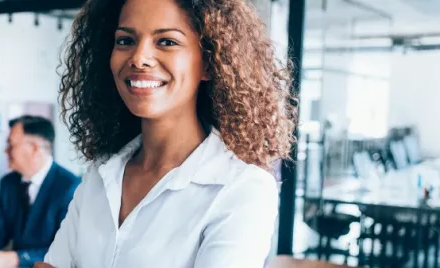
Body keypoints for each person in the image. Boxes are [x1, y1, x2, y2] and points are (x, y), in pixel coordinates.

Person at [41, 0, 296, 267]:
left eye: (167, 42)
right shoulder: (102, 172)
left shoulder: (242, 188)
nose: (139, 58)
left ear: (209, 63)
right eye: (126, 41)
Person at [0, 116, 80, 268]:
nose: (5, 150)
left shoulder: (71, 188)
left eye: (11, 144)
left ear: (34, 148)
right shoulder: (8, 183)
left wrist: (14, 259)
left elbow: (67, 252)